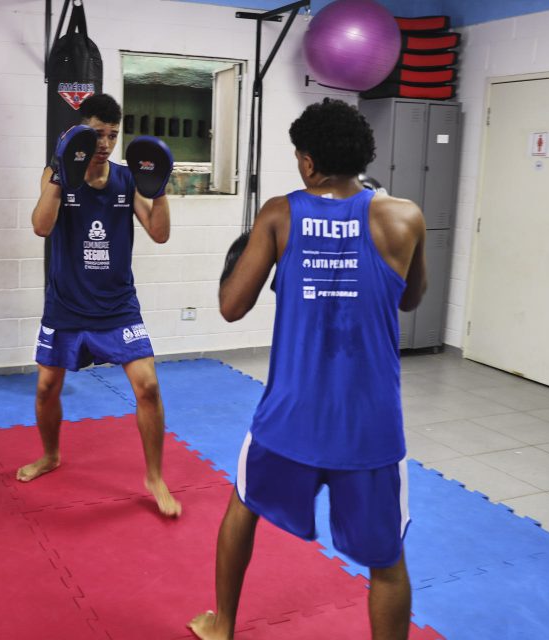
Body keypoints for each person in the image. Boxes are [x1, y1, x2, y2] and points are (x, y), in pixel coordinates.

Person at [188, 98, 427, 639]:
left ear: (309, 162)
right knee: (387, 562)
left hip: (290, 415)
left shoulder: (280, 213)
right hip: (369, 425)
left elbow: (232, 307)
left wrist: (241, 260)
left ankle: (222, 625)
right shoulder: (404, 217)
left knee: (243, 507)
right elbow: (412, 299)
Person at [17, 93, 182, 518]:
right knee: (46, 387)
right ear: (78, 134)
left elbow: (159, 235)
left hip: (117, 306)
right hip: (66, 305)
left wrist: (159, 191)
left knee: (147, 386)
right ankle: (51, 455)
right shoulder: (57, 175)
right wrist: (58, 175)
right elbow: (41, 226)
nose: (105, 143)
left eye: (112, 135)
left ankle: (155, 477)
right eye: (96, 134)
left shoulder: (128, 181)